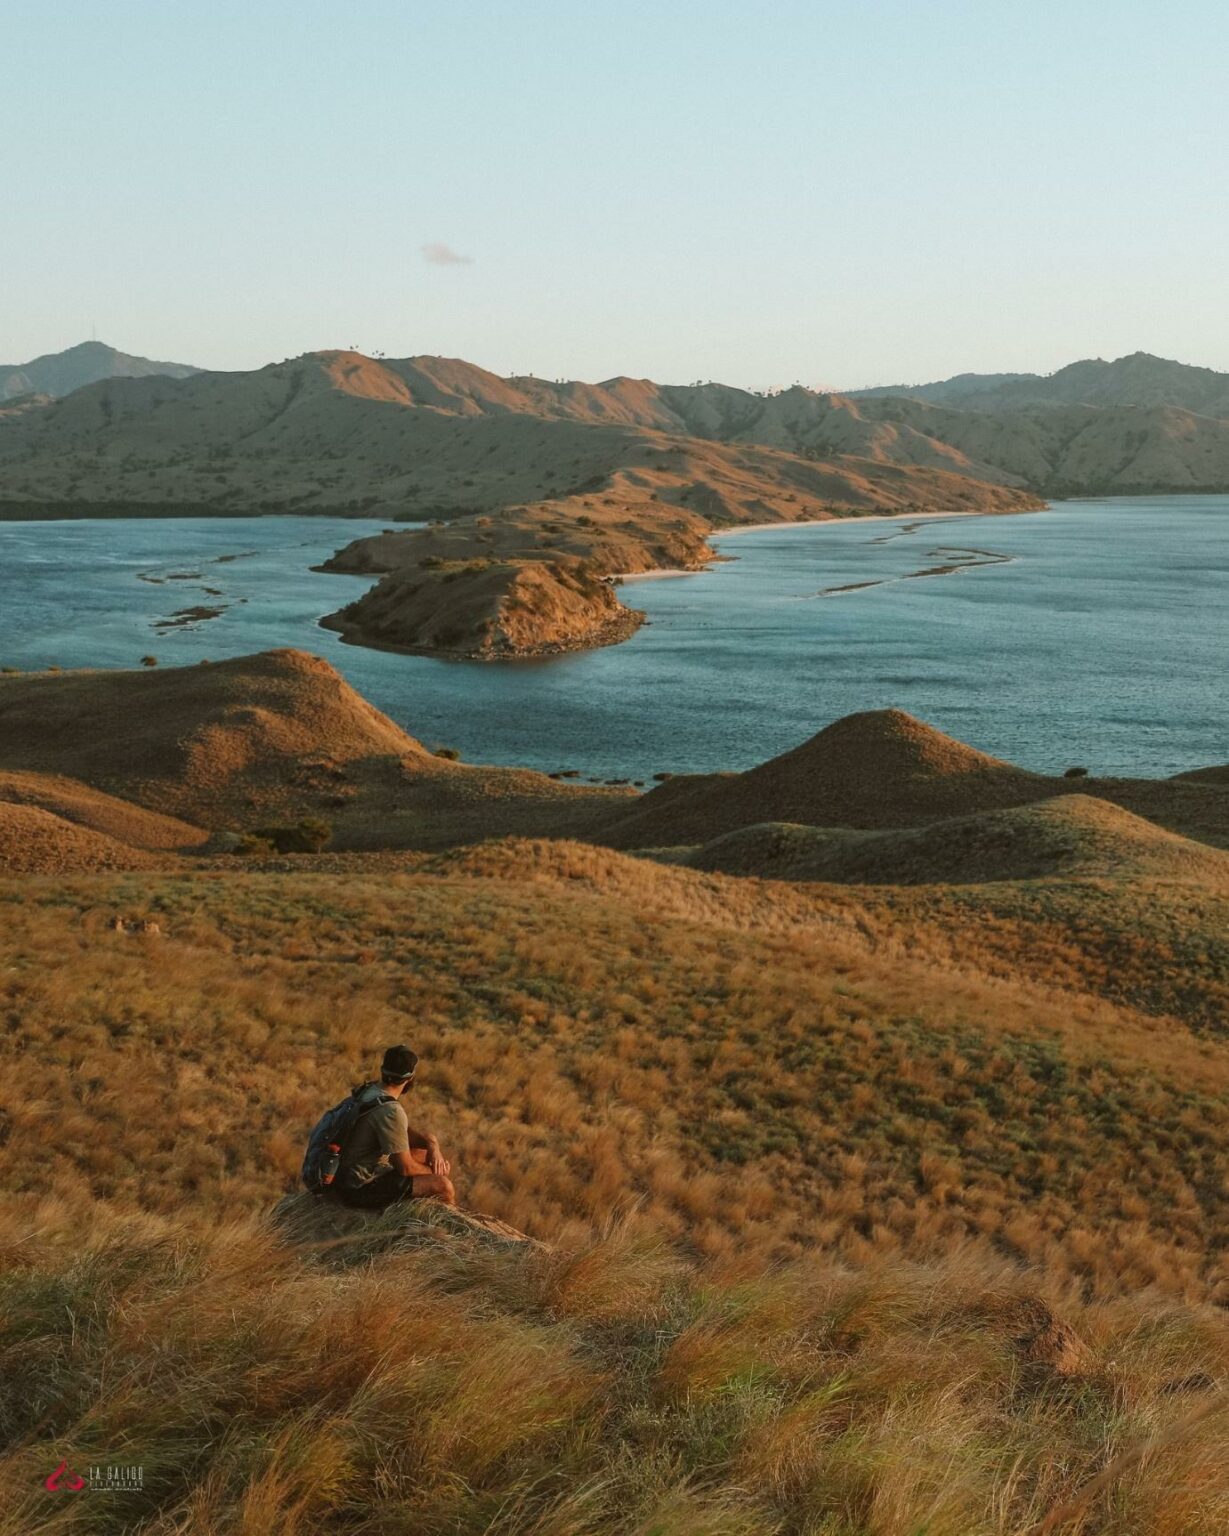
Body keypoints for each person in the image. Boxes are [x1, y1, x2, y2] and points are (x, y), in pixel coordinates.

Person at [336, 1045, 456, 1209]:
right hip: (358, 1189)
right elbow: (404, 1167)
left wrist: (432, 1143)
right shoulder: (390, 1111)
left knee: (421, 1153)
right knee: (443, 1186)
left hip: (343, 1177)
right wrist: (436, 1172)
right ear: (410, 1078)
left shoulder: (371, 1092)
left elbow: (403, 1134)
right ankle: (444, 1229)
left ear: (382, 1070)